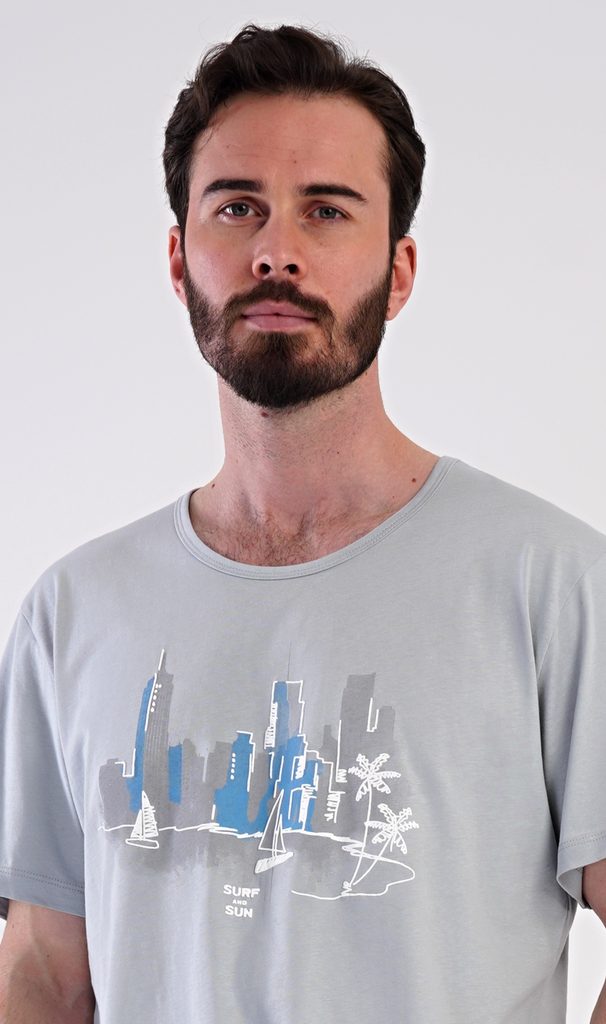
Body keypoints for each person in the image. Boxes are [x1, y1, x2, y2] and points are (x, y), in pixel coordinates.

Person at [0, 22, 605, 1024]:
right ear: (179, 259)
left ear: (399, 271)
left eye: (326, 210)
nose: (276, 252)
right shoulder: (74, 614)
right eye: (237, 207)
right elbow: (43, 974)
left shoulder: (555, 587)